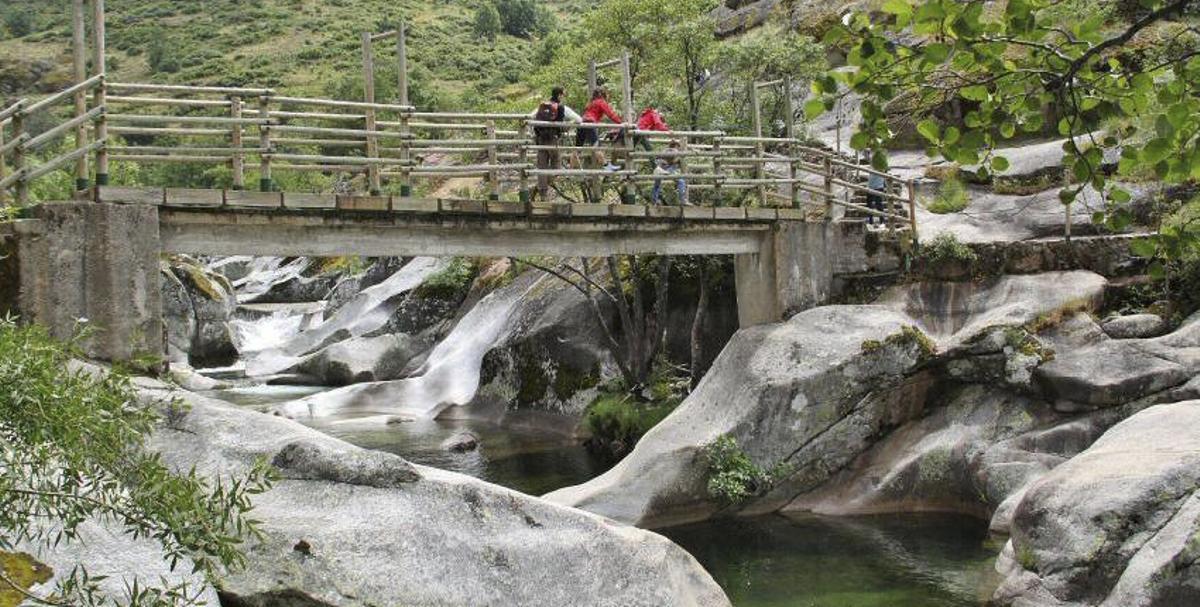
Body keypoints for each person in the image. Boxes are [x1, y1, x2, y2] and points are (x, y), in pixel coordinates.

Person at [529, 87, 581, 201]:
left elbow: (529, 118)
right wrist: (570, 125)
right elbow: (579, 120)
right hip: (553, 139)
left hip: (541, 140)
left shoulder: (542, 106)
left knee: (542, 167)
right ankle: (540, 187)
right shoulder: (562, 107)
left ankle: (542, 194)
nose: (563, 96)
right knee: (556, 166)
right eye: (563, 94)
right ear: (559, 95)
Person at [578, 88, 624, 171]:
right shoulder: (601, 102)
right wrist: (621, 123)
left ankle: (568, 172)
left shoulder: (591, 102)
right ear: (603, 94)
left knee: (577, 149)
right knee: (596, 146)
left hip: (582, 123)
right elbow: (611, 114)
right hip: (590, 124)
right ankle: (607, 166)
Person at [652, 139, 688, 206]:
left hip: (659, 169)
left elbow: (657, 159)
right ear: (676, 146)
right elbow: (673, 159)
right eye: (678, 146)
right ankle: (682, 200)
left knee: (657, 185)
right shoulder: (675, 151)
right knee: (681, 181)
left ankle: (654, 201)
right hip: (666, 169)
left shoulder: (664, 150)